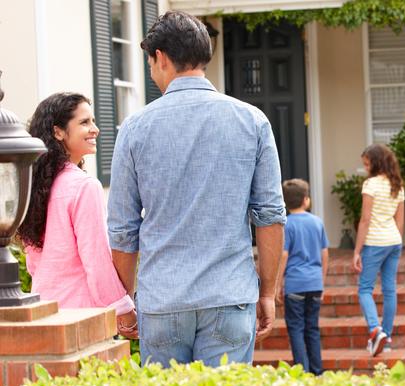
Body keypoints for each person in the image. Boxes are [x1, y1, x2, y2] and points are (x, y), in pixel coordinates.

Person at [107, 11, 286, 368]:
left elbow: (123, 231)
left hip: (163, 300)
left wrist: (126, 300)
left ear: (160, 57)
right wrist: (267, 292)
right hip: (229, 294)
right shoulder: (252, 120)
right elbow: (270, 217)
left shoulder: (134, 128)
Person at [17, 93, 137, 337]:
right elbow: (96, 260)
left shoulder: (35, 186)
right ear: (58, 132)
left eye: (93, 121)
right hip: (83, 316)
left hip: (45, 312)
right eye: (84, 122)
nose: (95, 129)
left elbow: (33, 263)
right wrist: (123, 309)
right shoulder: (84, 187)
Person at [352, 144, 405, 357]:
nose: (365, 168)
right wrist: (396, 241)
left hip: (374, 242)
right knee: (389, 289)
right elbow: (400, 221)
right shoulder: (397, 185)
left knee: (365, 289)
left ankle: (375, 330)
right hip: (394, 241)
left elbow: (365, 220)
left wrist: (357, 250)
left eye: (367, 163)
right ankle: (387, 337)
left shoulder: (371, 185)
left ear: (376, 162)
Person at [277, 179, 329, 375]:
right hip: (315, 283)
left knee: (296, 329)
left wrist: (277, 285)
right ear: (306, 200)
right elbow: (325, 253)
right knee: (312, 329)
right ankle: (317, 371)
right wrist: (322, 282)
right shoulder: (317, 222)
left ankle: (302, 371)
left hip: (295, 284)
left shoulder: (287, 225)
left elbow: (283, 255)